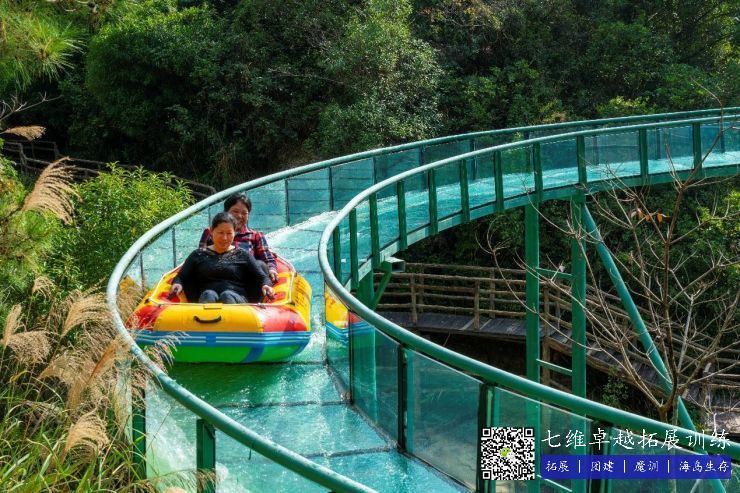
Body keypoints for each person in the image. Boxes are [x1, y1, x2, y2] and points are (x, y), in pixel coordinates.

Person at [170, 212, 274, 303]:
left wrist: (266, 285)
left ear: (234, 233)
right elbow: (181, 276)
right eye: (220, 233)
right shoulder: (198, 255)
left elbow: (262, 277)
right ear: (211, 232)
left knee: (227, 295)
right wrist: (177, 284)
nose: (224, 238)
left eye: (229, 233)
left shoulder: (243, 255)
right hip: (206, 298)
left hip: (238, 300)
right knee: (209, 294)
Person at [199, 193, 279, 282]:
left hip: (245, 281)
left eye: (244, 213)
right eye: (235, 211)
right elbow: (201, 257)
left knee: (261, 265)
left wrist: (272, 270)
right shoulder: (211, 232)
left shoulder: (256, 236)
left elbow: (268, 259)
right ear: (225, 212)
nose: (239, 216)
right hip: (217, 277)